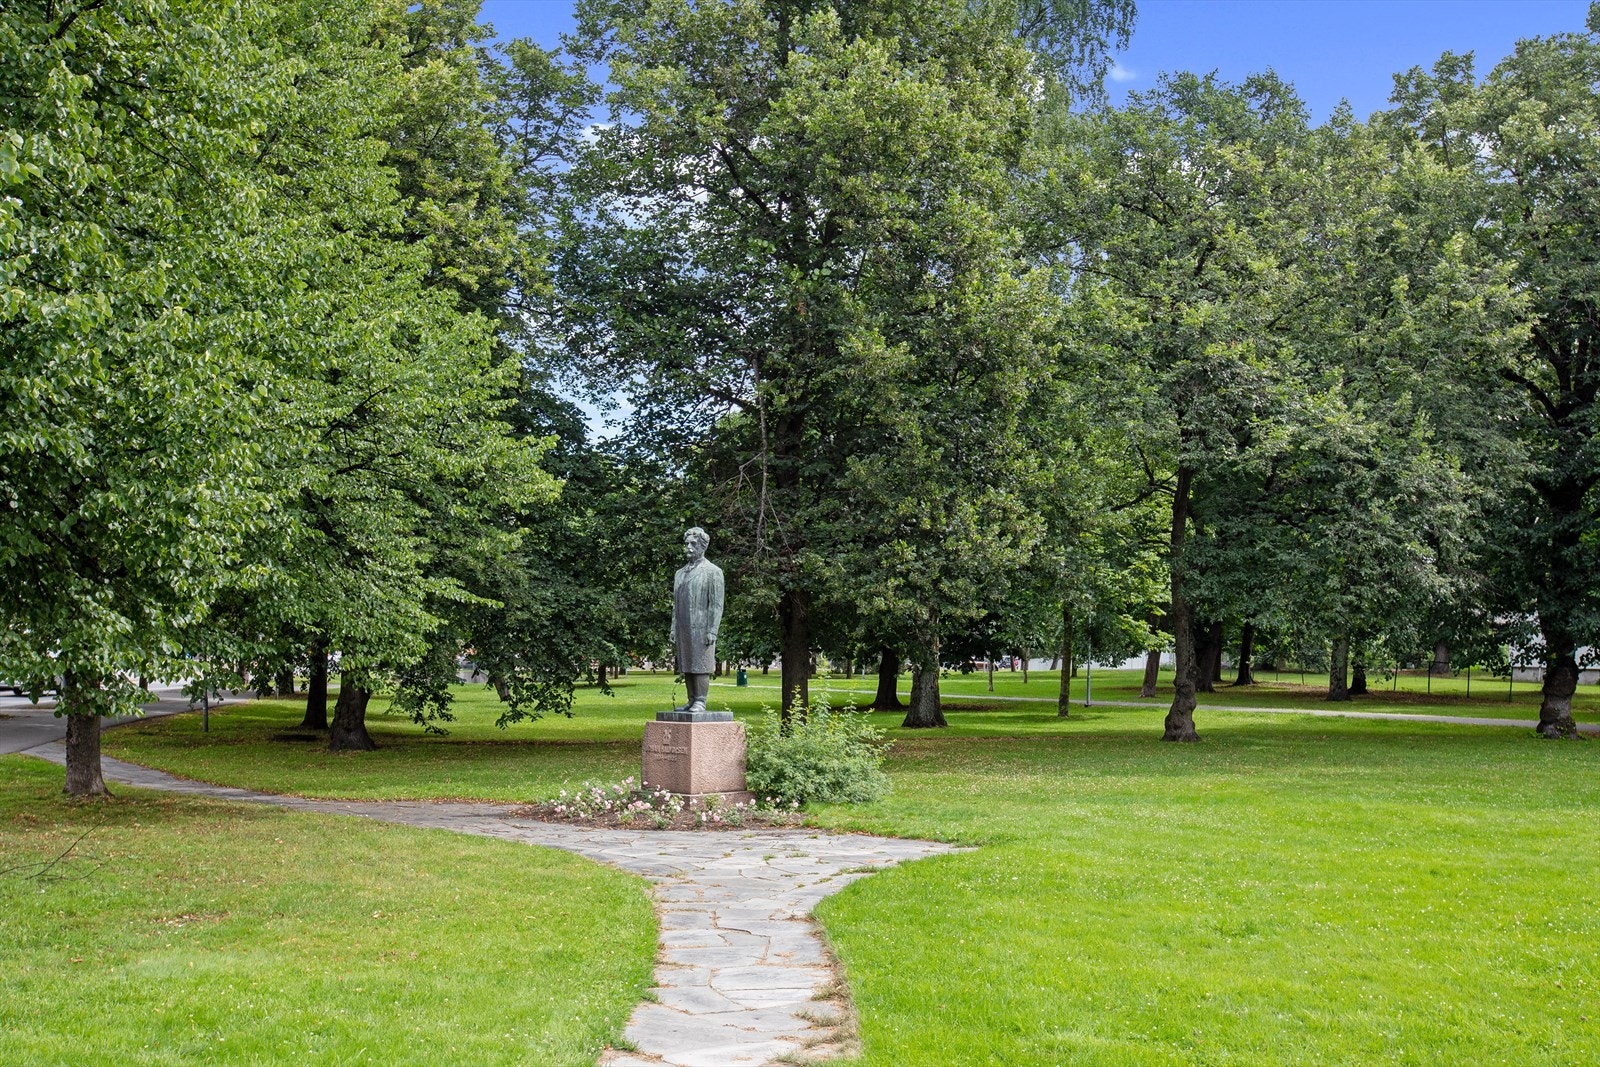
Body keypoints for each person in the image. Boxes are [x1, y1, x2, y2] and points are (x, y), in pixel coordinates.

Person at [671, 527, 724, 715]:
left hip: (702, 627)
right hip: (683, 627)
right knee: (687, 664)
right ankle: (691, 699)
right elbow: (675, 604)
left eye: (693, 544)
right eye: (687, 544)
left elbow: (716, 605)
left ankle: (700, 701)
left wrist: (712, 630)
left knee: (700, 665)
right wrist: (673, 628)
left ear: (703, 546)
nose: (689, 547)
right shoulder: (679, 573)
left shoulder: (713, 572)